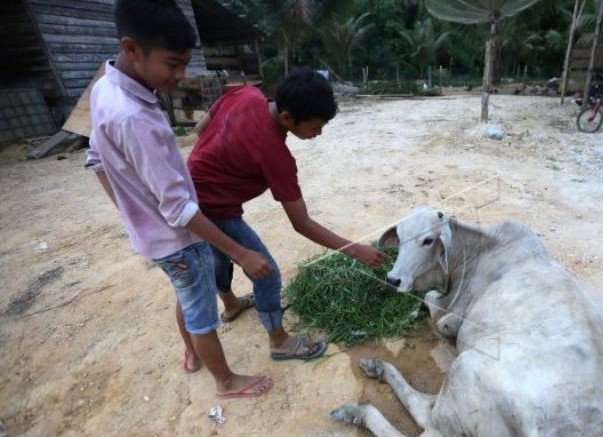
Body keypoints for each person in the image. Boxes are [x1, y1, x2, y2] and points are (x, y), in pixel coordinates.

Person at [86, 0, 273, 399]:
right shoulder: (132, 117)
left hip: (155, 235)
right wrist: (240, 254)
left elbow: (96, 159)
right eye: (172, 64)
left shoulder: (104, 84)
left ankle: (191, 355)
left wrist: (129, 211)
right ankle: (226, 382)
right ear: (132, 48)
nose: (180, 75)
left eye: (185, 63)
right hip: (177, 239)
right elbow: (179, 209)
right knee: (202, 310)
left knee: (187, 293)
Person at [187, 69, 387, 360]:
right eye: (315, 127)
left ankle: (231, 305)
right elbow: (301, 223)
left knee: (218, 253)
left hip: (188, 191)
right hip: (214, 207)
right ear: (287, 118)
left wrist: (218, 159)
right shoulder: (276, 156)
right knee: (265, 270)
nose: (318, 134)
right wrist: (355, 250)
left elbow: (200, 128)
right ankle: (279, 341)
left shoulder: (246, 94)